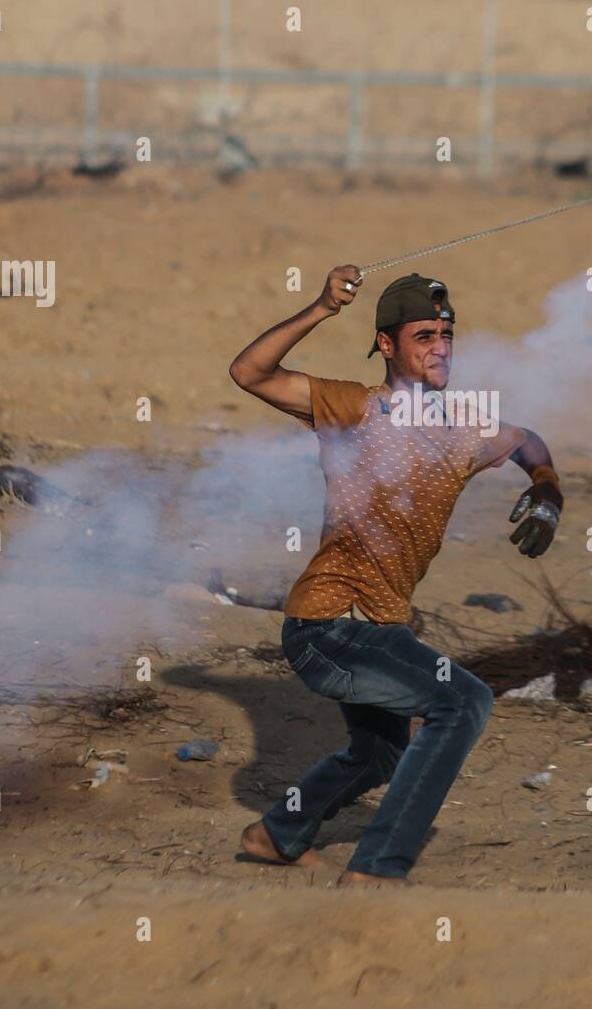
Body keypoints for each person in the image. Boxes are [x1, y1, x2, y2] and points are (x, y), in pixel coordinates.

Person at [229, 265, 563, 885]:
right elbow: (249, 373)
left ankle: (276, 835)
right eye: (423, 337)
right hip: (328, 627)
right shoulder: (353, 408)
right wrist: (321, 307)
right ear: (387, 344)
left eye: (447, 334)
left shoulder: (464, 427)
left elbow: (528, 441)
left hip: (382, 627)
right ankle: (378, 870)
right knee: (464, 702)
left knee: (381, 752)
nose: (440, 348)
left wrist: (547, 492)